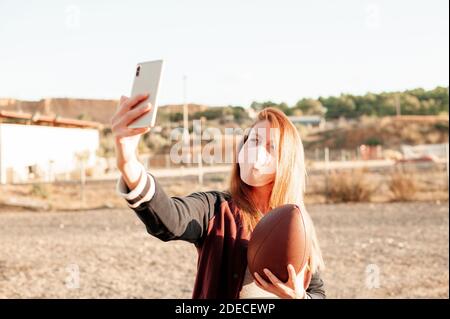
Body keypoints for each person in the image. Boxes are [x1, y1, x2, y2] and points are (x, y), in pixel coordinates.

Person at [112, 94, 325, 299]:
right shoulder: (216, 208)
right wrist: (128, 163)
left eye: (270, 147)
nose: (256, 152)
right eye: (254, 140)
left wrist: (299, 298)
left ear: (286, 162)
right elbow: (171, 219)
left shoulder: (296, 224)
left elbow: (317, 293)